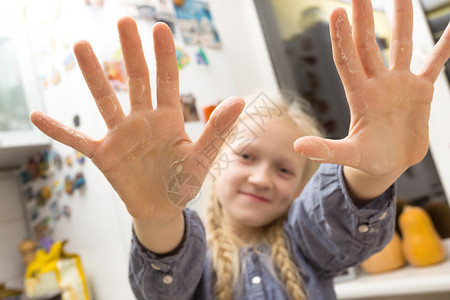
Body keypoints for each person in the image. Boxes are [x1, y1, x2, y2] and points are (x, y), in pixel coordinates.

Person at [30, 0, 450, 299]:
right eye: (248, 156)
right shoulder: (193, 255)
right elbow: (162, 286)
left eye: (285, 170)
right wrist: (157, 219)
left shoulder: (304, 241)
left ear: (302, 186)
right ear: (215, 160)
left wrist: (375, 174)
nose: (262, 177)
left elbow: (336, 222)